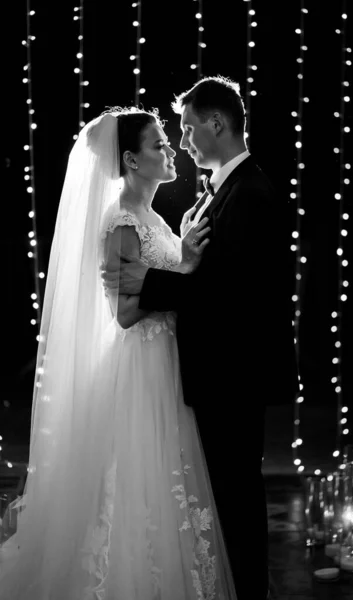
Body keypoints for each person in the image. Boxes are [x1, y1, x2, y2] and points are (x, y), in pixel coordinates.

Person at [0, 107, 238, 600]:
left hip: (168, 364)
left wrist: (186, 262)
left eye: (169, 142)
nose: (171, 150)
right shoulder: (122, 221)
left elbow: (161, 285)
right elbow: (126, 315)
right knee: (139, 486)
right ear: (131, 159)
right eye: (159, 145)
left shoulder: (154, 216)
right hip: (142, 370)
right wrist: (184, 268)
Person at [103, 76, 299, 600]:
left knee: (235, 501)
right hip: (204, 375)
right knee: (219, 501)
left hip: (232, 377)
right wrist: (181, 264)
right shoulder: (221, 192)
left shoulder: (251, 194)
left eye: (188, 128)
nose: (183, 141)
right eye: (173, 135)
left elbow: (229, 291)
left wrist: (152, 280)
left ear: (217, 124)